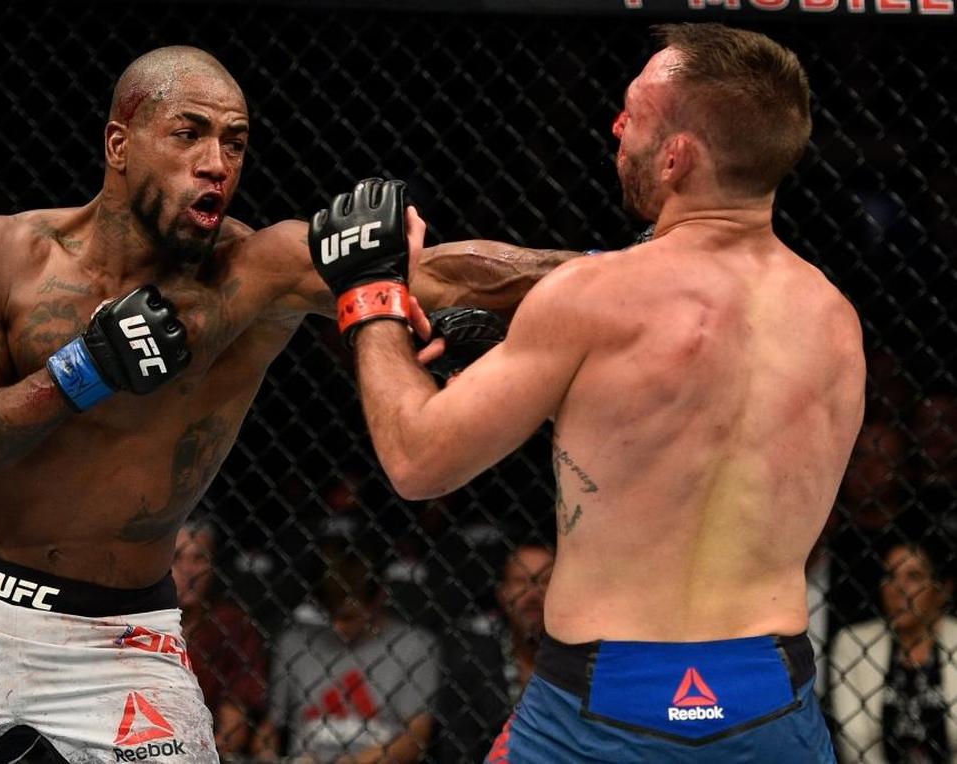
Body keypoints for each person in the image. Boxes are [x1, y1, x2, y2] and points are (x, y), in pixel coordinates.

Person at [0, 46, 572, 763]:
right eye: (189, 133)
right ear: (119, 143)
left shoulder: (262, 270)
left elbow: (436, 272)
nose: (217, 162)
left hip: (124, 634)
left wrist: (639, 264)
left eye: (236, 142)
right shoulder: (3, 254)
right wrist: (76, 372)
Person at [309, 23, 866, 762]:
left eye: (634, 112)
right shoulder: (835, 323)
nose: (615, 125)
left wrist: (368, 295)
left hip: (602, 707)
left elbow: (417, 460)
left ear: (677, 157)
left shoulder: (593, 298)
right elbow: (687, 455)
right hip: (768, 699)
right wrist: (539, 365)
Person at [252, 548, 440, 764]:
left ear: (378, 598)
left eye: (348, 617)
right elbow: (269, 728)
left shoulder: (414, 646)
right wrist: (269, 757)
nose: (336, 626)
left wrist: (356, 762)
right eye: (329, 615)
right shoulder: (295, 643)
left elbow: (415, 737)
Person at [829, 533, 957, 763]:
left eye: (914, 576)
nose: (897, 589)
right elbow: (853, 743)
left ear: (943, 589)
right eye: (890, 576)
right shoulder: (853, 643)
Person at [436, 542, 554, 763]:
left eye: (545, 581)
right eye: (521, 581)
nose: (533, 593)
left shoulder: (583, 664)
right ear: (503, 593)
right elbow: (457, 747)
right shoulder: (474, 660)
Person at [173, 514, 267, 755]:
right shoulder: (139, 624)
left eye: (198, 558)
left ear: (213, 566)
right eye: (177, 558)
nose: (188, 570)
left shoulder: (232, 627)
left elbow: (233, 732)